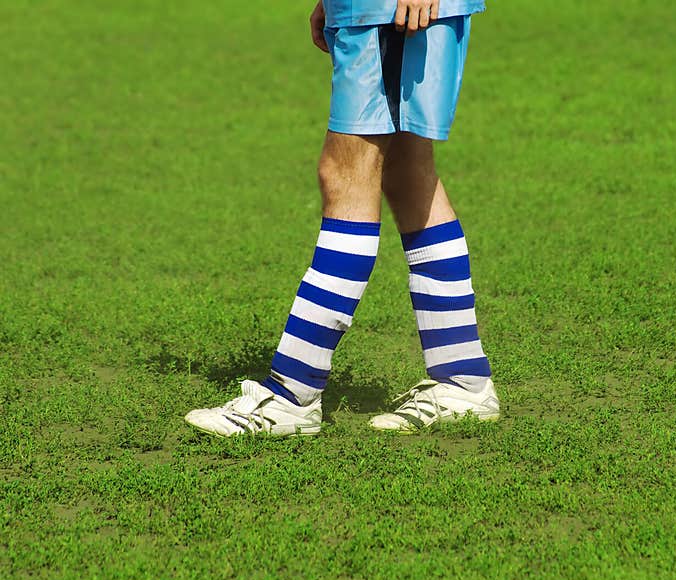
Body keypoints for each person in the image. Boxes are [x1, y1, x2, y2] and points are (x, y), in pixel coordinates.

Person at [185, 0, 500, 437]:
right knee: (406, 169)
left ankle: (292, 394)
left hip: (389, 9)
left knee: (345, 170)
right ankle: (462, 379)